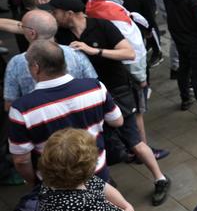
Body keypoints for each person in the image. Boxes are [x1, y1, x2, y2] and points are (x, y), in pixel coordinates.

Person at [52, 0, 171, 205]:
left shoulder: (101, 25)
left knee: (133, 140)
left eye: (56, 12)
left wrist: (95, 51)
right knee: (97, 143)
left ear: (69, 13)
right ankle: (108, 189)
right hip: (85, 96)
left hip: (116, 89)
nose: (53, 16)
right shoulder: (60, 34)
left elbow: (129, 53)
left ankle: (160, 178)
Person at [8, 40, 123, 184]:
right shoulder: (95, 87)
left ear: (36, 67)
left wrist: (34, 181)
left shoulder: (22, 109)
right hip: (98, 173)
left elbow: (21, 160)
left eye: (29, 65)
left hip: (56, 186)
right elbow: (117, 120)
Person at [4, 9, 96, 109]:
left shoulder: (16, 63)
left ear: (32, 33)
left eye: (22, 26)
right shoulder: (76, 53)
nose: (20, 28)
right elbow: (93, 85)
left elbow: (10, 105)